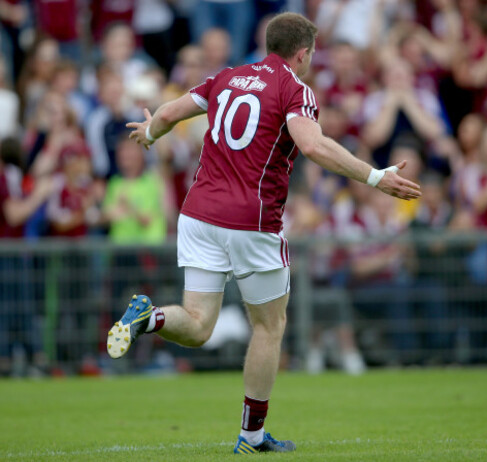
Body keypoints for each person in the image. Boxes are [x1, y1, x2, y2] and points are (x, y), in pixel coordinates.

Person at [109, 12, 420, 455]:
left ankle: (149, 317)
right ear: (302, 53)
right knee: (270, 326)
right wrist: (374, 177)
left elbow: (172, 112)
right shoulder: (294, 88)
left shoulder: (227, 77)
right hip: (250, 222)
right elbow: (311, 145)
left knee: (197, 327)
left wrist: (150, 132)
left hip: (197, 215)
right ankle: (252, 436)